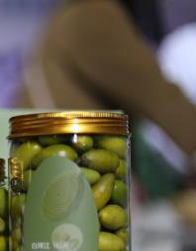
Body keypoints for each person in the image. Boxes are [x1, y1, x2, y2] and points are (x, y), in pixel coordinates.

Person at [16, 0, 196, 160]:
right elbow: (160, 97)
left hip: (53, 168)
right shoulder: (91, 15)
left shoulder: (74, 14)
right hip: (64, 172)